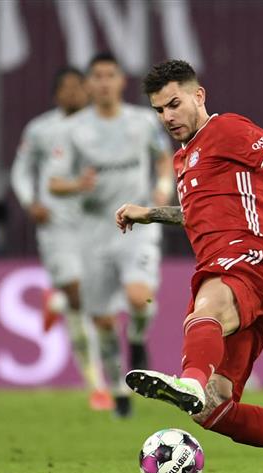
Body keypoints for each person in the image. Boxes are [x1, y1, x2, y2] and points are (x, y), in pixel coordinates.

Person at [115, 60, 263, 473]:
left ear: (198, 96)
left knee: (208, 309)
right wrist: (150, 213)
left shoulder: (226, 129)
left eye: (174, 104)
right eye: (159, 109)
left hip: (253, 255)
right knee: (214, 406)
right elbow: (200, 214)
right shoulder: (183, 159)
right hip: (233, 266)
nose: (167, 116)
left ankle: (189, 380)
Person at [46, 53, 174, 418]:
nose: (104, 82)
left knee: (138, 297)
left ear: (121, 81)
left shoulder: (143, 121)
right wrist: (77, 184)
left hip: (137, 224)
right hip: (94, 232)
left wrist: (163, 188)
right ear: (89, 84)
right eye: (97, 76)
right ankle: (118, 385)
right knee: (102, 320)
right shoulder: (72, 130)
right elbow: (54, 182)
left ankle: (137, 338)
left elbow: (163, 158)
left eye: (110, 75)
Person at [10, 67, 108, 409]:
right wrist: (29, 201)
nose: (73, 92)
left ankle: (58, 301)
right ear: (56, 94)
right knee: (80, 294)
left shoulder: (104, 126)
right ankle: (96, 385)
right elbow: (21, 171)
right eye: (66, 87)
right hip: (56, 224)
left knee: (97, 297)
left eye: (78, 86)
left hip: (94, 222)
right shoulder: (40, 129)